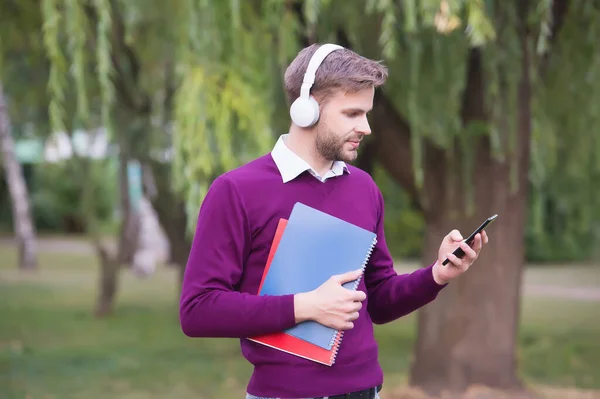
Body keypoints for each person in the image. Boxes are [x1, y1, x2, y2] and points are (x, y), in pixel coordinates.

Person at [179, 43, 489, 399]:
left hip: (365, 391)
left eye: (367, 113)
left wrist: (437, 275)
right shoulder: (235, 191)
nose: (367, 127)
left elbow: (380, 298)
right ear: (306, 109)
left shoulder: (364, 189)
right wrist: (305, 306)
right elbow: (198, 310)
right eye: (353, 114)